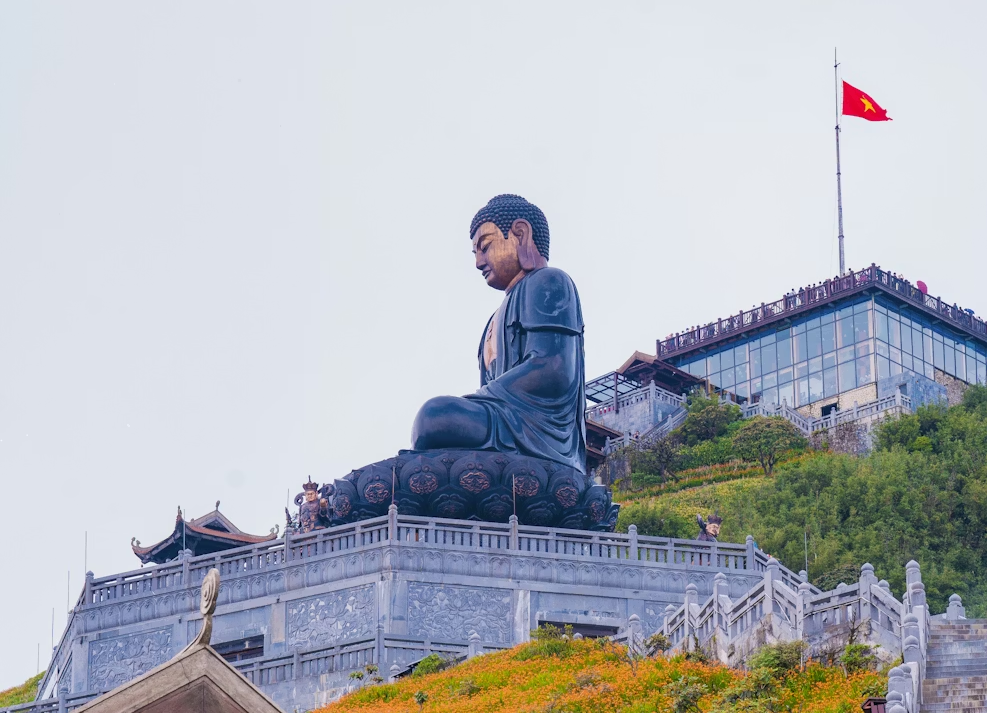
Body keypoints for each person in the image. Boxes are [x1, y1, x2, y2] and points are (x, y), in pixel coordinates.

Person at [411, 195, 586, 473]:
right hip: (501, 421)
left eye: (485, 247)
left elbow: (553, 369)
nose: (479, 262)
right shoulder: (493, 320)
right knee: (434, 436)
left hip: (537, 429)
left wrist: (479, 399)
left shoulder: (549, 281)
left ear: (520, 234)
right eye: (475, 254)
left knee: (434, 416)